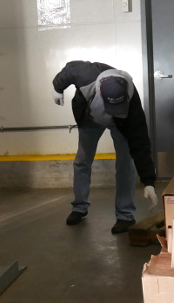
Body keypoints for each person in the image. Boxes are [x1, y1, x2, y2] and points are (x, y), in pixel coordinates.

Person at [53, 61, 158, 234]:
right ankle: (79, 207)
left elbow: (140, 143)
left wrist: (148, 182)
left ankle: (125, 215)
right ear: (101, 93)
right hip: (90, 119)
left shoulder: (132, 104)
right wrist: (57, 88)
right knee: (82, 161)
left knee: (125, 164)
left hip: (120, 124)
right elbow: (69, 70)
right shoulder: (85, 75)